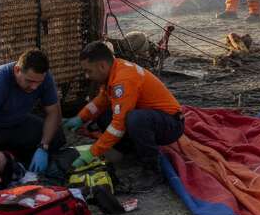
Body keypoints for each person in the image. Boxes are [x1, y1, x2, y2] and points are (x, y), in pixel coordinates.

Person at [65, 42, 183, 184]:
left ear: (102, 66)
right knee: (105, 116)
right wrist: (80, 118)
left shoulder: (123, 80)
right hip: (154, 118)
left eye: (89, 71)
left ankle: (152, 170)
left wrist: (92, 152)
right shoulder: (114, 70)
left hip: (171, 124)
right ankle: (131, 151)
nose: (87, 76)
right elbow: (101, 101)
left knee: (135, 119)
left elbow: (118, 126)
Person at [0, 49, 63, 176]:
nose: (34, 87)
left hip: (16, 122)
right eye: (30, 81)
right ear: (17, 70)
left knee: (56, 135)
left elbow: (54, 112)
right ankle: (9, 157)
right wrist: (2, 161)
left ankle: (19, 156)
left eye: (39, 82)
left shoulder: (44, 77)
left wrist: (43, 146)